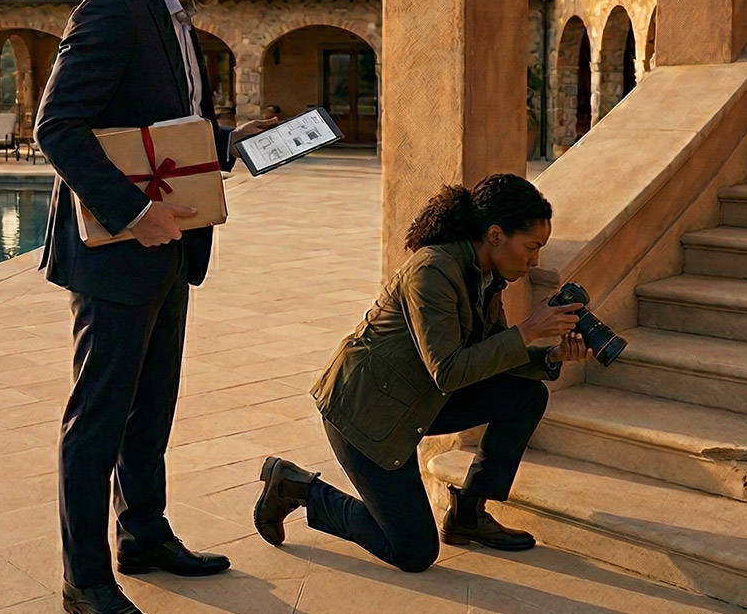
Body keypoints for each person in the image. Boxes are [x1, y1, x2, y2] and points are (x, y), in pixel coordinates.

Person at [35, 0, 279, 614]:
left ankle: (142, 532)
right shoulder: (113, 8)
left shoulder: (177, 18)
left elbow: (163, 127)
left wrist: (230, 142)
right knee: (99, 416)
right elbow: (58, 127)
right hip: (118, 250)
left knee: (152, 404)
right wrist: (135, 212)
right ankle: (85, 578)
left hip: (172, 244)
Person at [252, 174, 590, 572]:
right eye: (531, 247)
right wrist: (529, 329)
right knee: (413, 552)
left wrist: (550, 356)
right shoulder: (433, 270)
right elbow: (448, 370)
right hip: (366, 413)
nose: (535, 261)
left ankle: (468, 513)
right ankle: (295, 485)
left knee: (526, 396)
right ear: (496, 234)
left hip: (416, 400)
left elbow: (491, 355)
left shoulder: (484, 276)